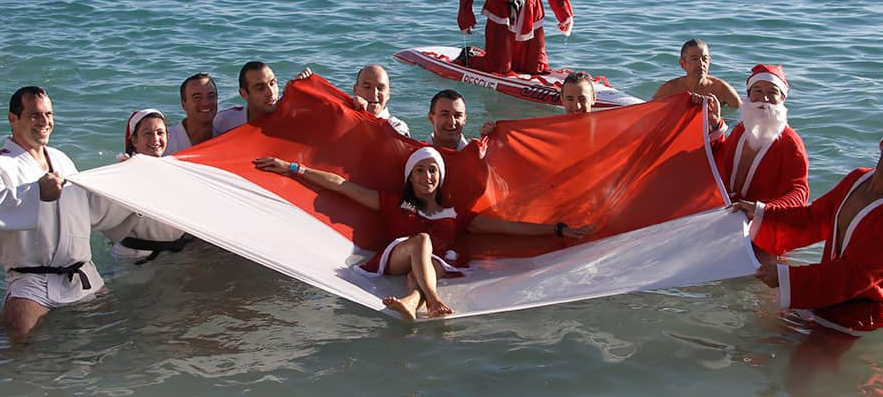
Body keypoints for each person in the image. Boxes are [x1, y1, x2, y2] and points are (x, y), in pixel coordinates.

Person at [253, 146, 589, 320]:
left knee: (426, 262)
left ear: (439, 178)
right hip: (398, 255)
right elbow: (342, 186)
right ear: (410, 178)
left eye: (432, 170)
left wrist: (556, 229)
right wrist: (293, 168)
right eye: (419, 171)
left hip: (436, 264)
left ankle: (412, 303)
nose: (426, 176)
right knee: (422, 245)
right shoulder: (393, 203)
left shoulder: (456, 214)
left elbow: (508, 227)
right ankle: (436, 300)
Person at [0, 87, 134, 341]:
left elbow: (88, 214)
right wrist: (33, 192)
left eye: (49, 114)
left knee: (115, 342)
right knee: (16, 358)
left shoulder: (61, 159)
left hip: (82, 276)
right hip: (32, 283)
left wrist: (124, 182)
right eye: (34, 115)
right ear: (12, 119)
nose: (45, 122)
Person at [734, 117, 883, 335]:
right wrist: (762, 212)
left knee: (800, 366)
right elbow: (815, 216)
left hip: (860, 314)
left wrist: (788, 277)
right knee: (756, 339)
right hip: (829, 295)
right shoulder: (858, 178)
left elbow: (857, 274)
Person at [705, 64, 809, 210]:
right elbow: (721, 161)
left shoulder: (790, 142)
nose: (764, 98)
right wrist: (715, 125)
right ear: (749, 94)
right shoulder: (742, 129)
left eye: (772, 92)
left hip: (761, 221)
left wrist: (760, 210)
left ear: (782, 99)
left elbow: (799, 193)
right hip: (726, 210)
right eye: (757, 91)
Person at [105, 109, 192, 262]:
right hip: (135, 260)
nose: (155, 139)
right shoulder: (123, 172)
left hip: (174, 255)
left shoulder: (176, 169)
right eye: (147, 133)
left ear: (168, 136)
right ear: (134, 140)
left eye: (160, 133)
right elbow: (107, 223)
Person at [652, 39, 741, 108]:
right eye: (694, 59)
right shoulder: (670, 89)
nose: (701, 64)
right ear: (683, 64)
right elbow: (651, 110)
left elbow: (741, 114)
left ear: (709, 61)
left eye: (704, 59)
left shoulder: (721, 90)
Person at [213, 61, 280, 135]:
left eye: (272, 83)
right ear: (243, 94)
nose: (271, 92)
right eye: (260, 88)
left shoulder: (290, 117)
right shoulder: (225, 122)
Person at [165, 72, 218, 154]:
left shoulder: (224, 136)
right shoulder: (166, 143)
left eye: (211, 95)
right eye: (197, 97)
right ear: (183, 105)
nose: (206, 103)